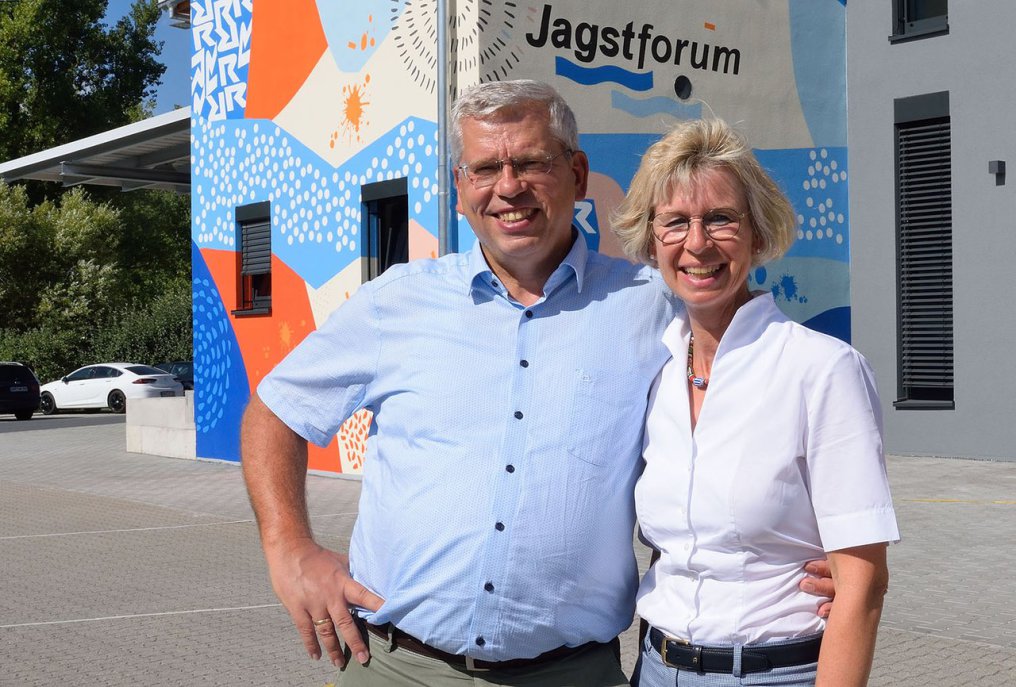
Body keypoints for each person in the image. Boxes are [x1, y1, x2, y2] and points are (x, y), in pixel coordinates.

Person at [241, 81, 833, 687]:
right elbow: (276, 410)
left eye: (529, 162)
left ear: (576, 173)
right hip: (397, 667)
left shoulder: (655, 306)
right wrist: (289, 549)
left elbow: (760, 401)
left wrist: (803, 558)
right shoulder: (395, 303)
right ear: (459, 188)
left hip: (572, 674)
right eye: (484, 168)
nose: (508, 186)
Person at [611, 119, 899, 687]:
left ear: (758, 234)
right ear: (651, 242)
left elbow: (862, 587)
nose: (697, 243)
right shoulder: (655, 372)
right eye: (675, 223)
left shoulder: (822, 371)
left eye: (720, 218)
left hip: (775, 674)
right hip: (655, 667)